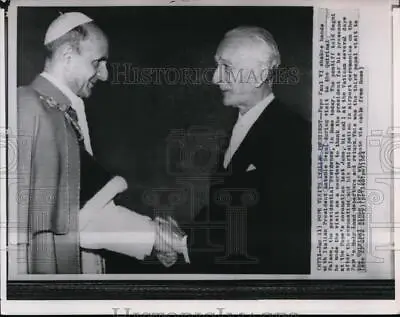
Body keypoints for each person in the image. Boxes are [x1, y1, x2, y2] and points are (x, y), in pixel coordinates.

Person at [16, 12, 181, 274]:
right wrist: (156, 237)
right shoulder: (28, 108)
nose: (104, 75)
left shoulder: (58, 111)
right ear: (68, 56)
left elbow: (82, 207)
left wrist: (152, 232)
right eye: (97, 62)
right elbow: (79, 218)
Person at [174, 26, 311, 274]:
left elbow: (277, 237)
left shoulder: (293, 136)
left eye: (227, 67)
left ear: (259, 75)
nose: (216, 78)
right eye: (217, 66)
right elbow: (223, 208)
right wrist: (183, 234)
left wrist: (183, 245)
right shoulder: (243, 125)